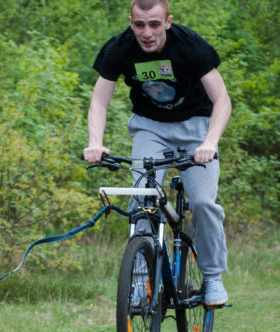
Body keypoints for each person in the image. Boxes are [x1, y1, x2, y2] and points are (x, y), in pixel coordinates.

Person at [83, 0, 231, 305]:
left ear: (168, 21)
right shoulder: (120, 48)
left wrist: (210, 143)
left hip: (197, 128)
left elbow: (222, 101)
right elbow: (99, 101)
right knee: (142, 202)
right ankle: (140, 283)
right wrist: (95, 142)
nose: (146, 33)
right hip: (151, 129)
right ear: (131, 22)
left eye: (154, 24)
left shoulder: (190, 46)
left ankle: (213, 277)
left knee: (203, 203)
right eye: (139, 25)